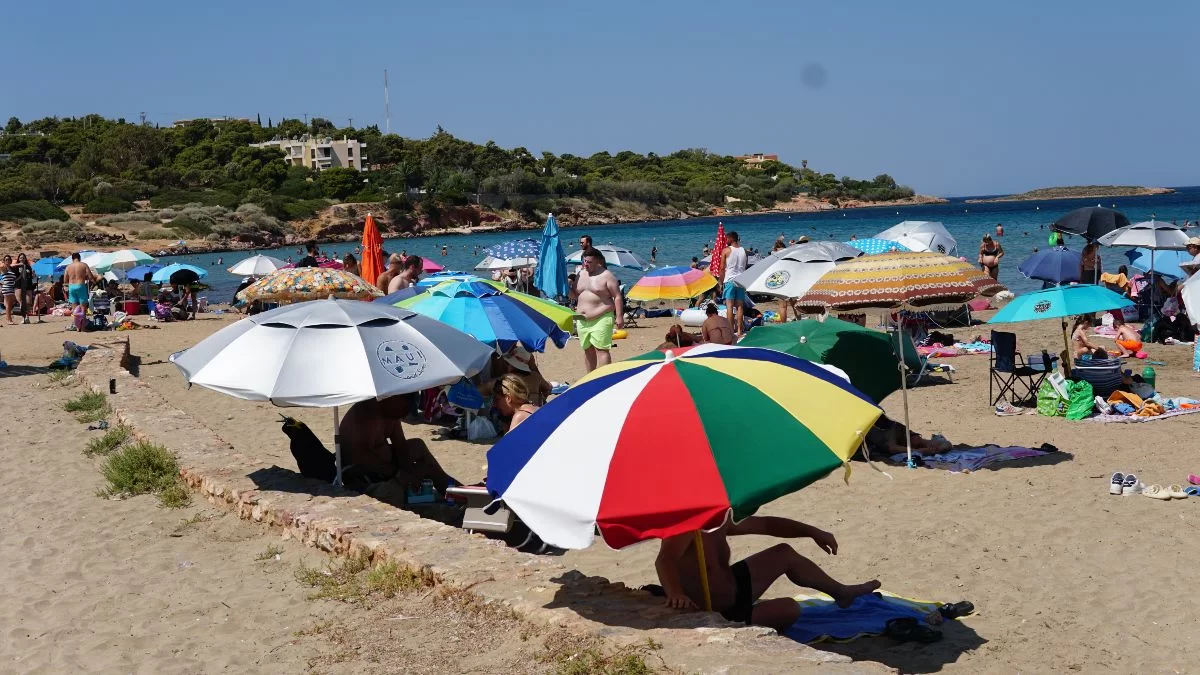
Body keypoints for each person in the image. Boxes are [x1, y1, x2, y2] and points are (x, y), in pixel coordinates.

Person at [655, 517, 880, 631]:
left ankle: (841, 592)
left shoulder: (718, 517)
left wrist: (812, 531)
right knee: (789, 609)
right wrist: (675, 593)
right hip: (716, 611)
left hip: (732, 587)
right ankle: (747, 620)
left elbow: (765, 525)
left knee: (784, 553)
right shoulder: (686, 523)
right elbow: (665, 560)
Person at [338, 396, 455, 492]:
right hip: (360, 471)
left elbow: (401, 446)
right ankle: (452, 491)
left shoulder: (390, 412)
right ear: (392, 399)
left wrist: (408, 472)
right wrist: (398, 473)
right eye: (405, 408)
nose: (405, 414)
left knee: (418, 446)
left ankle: (453, 489)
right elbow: (361, 456)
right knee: (426, 469)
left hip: (383, 462)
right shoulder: (366, 413)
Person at [571, 247, 623, 372]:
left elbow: (617, 296)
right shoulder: (581, 274)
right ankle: (590, 378)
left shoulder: (606, 275)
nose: (586, 264)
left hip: (601, 317)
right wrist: (564, 287)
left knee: (601, 349)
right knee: (587, 350)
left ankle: (604, 379)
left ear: (598, 261)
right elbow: (574, 295)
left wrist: (619, 316)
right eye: (584, 261)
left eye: (589, 262)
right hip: (582, 319)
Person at [864, 415, 952, 459]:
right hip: (885, 433)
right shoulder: (889, 430)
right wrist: (917, 451)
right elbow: (892, 448)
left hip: (899, 433)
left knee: (917, 440)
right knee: (917, 441)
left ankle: (935, 445)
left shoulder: (896, 427)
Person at [719, 231, 748, 336]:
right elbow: (745, 266)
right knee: (740, 306)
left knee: (730, 307)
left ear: (731, 239)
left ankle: (731, 331)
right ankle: (740, 330)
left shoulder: (726, 250)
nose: (726, 241)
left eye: (727, 239)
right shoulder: (744, 251)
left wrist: (721, 282)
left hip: (730, 280)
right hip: (741, 280)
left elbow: (722, 268)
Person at [14, 253, 37, 324]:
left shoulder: (28, 267)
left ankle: (26, 316)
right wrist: (19, 264)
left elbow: (31, 277)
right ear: (18, 259)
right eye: (20, 258)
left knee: (28, 302)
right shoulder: (16, 266)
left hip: (28, 285)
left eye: (23, 258)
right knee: (21, 302)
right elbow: (11, 267)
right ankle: (24, 317)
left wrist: (33, 275)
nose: (22, 259)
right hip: (19, 285)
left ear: (25, 259)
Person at [0, 256, 16, 325]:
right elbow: (1, 268)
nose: (7, 261)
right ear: (4, 261)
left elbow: (15, 278)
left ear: (10, 261)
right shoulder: (4, 268)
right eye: (6, 260)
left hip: (11, 288)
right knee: (8, 305)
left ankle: (8, 318)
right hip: (6, 288)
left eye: (9, 259)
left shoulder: (11, 269)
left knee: (9, 304)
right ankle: (9, 319)